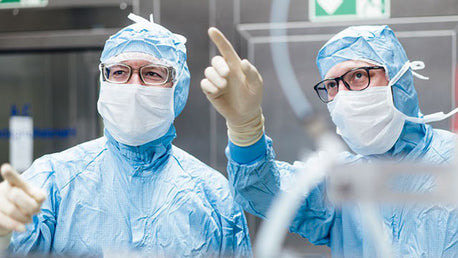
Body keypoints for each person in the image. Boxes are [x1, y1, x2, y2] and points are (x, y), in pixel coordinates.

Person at [0, 13, 252, 257]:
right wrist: (2, 236)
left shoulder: (214, 197)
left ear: (178, 87)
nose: (134, 87)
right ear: (104, 80)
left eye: (152, 73)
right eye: (119, 72)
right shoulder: (52, 181)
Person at [201, 25, 458, 257]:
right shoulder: (342, 179)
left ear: (397, 78)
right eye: (333, 85)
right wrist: (245, 129)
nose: (343, 97)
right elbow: (262, 190)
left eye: (358, 76)